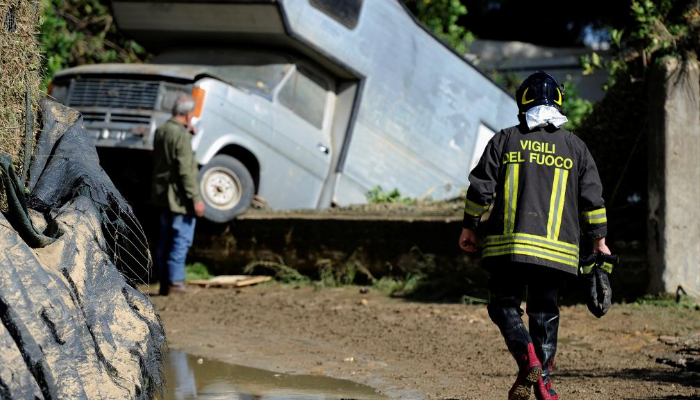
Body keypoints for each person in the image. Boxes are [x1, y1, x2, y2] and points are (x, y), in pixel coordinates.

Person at [458, 71, 611, 400]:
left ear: (521, 103)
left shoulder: (505, 139)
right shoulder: (575, 147)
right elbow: (592, 201)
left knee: (503, 306)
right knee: (545, 312)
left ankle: (527, 359)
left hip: (508, 249)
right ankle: (545, 386)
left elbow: (480, 188)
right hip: (557, 253)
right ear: (558, 102)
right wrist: (599, 241)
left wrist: (470, 224)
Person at [151, 94, 206, 296]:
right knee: (180, 239)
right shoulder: (180, 135)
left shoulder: (161, 130)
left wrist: (187, 133)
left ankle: (165, 281)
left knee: (165, 239)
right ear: (188, 114)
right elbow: (184, 170)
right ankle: (176, 282)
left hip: (162, 195)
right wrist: (196, 199)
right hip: (179, 198)